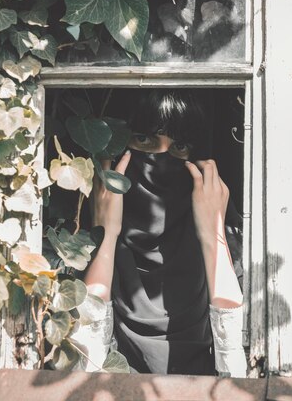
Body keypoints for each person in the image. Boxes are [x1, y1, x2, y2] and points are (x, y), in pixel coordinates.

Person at [72, 89, 246, 377]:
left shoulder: (231, 239)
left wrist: (212, 234)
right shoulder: (71, 240)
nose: (161, 160)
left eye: (180, 147)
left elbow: (239, 379)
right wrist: (106, 236)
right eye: (143, 139)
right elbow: (84, 371)